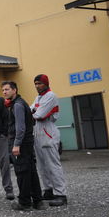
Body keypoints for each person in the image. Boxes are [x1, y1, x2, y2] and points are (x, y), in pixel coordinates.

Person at [1, 81, 47, 211]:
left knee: (22, 172)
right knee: (31, 171)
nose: (4, 92)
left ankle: (24, 202)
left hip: (21, 144)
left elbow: (20, 127)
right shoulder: (21, 103)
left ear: (14, 90)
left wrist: (16, 144)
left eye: (7, 89)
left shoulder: (17, 105)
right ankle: (38, 201)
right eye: (3, 90)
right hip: (26, 143)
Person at [32, 74, 68, 207]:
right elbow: (30, 110)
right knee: (41, 165)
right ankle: (48, 190)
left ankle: (61, 194)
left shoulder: (51, 96)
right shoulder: (38, 97)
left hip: (48, 132)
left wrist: (33, 111)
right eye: (36, 84)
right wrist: (33, 111)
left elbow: (39, 114)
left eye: (40, 83)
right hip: (38, 132)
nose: (37, 86)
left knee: (53, 164)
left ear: (46, 84)